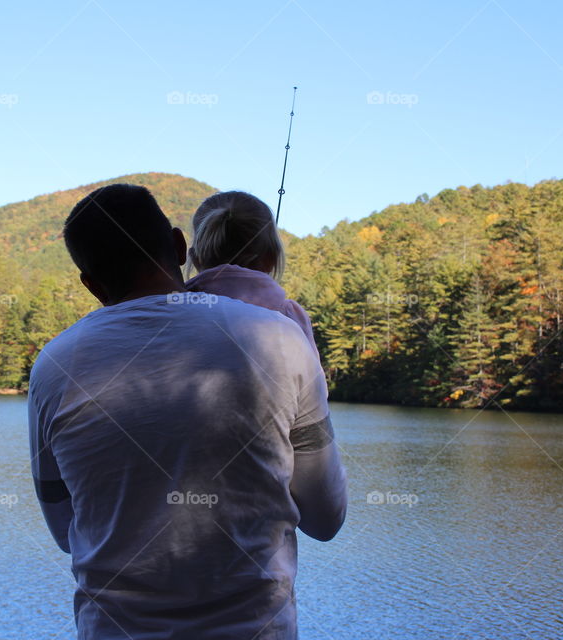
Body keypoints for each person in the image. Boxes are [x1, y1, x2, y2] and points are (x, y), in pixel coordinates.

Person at [28, 183, 348, 640]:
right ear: (179, 246)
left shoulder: (54, 366)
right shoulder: (279, 339)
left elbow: (66, 531)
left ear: (91, 284)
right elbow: (325, 518)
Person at [186, 190, 318, 358]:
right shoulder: (290, 316)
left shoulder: (172, 310)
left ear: (195, 260)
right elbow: (314, 382)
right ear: (272, 259)